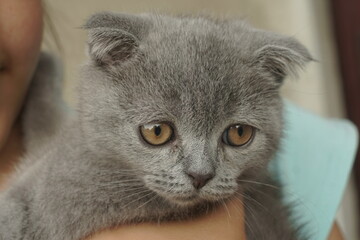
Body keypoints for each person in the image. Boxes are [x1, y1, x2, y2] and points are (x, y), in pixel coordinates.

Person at [0, 0, 344, 239]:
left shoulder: (303, 153)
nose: (201, 171)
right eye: (158, 132)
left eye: (237, 135)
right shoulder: (74, 160)